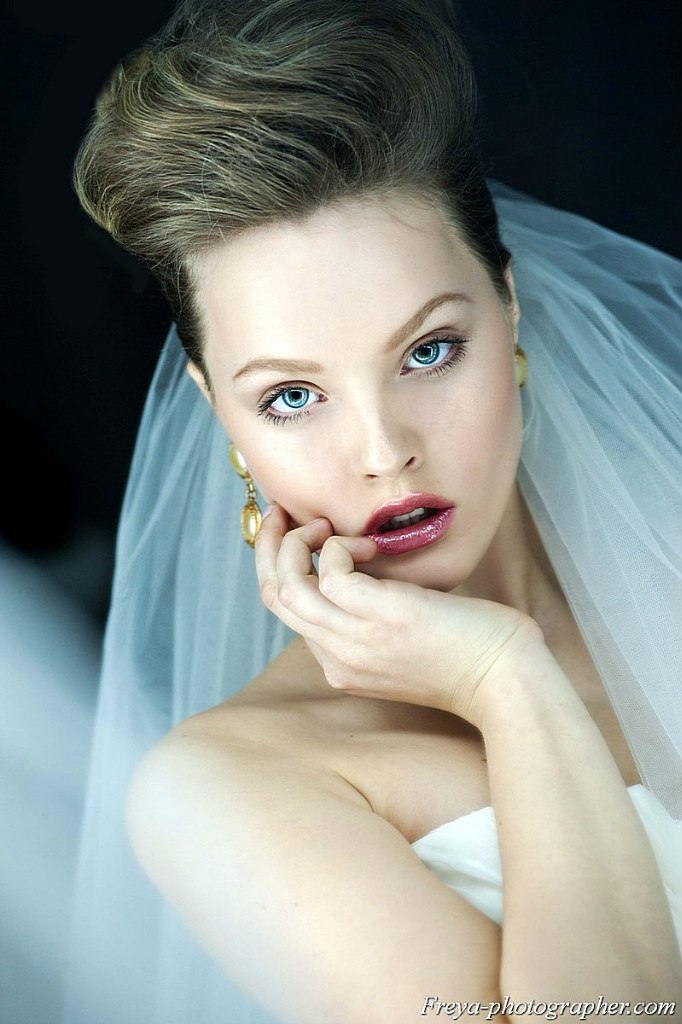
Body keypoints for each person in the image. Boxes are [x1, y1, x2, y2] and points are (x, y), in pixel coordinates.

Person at [61, 2, 682, 1022]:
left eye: (428, 351)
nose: (385, 451)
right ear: (217, 410)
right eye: (291, 397)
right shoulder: (230, 784)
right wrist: (505, 679)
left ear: (509, 308)